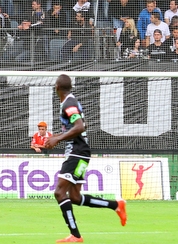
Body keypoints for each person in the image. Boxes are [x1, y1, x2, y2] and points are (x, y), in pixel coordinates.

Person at [43, 74, 127, 243]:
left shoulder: (68, 103)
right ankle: (116, 206)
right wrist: (60, 135)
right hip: (80, 153)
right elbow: (82, 125)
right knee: (74, 197)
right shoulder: (71, 102)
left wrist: (57, 138)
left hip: (77, 152)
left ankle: (75, 235)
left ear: (56, 88)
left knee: (60, 192)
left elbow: (80, 126)